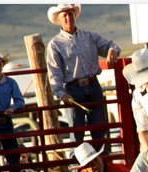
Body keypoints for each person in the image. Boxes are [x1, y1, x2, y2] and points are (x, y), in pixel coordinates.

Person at [46, 4, 121, 152]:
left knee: (100, 130)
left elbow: (111, 45)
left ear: (75, 15)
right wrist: (61, 93)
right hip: (73, 91)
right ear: (59, 20)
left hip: (93, 86)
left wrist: (112, 50)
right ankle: (79, 170)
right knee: (76, 134)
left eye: (70, 14)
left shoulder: (90, 36)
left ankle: (104, 168)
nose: (68, 18)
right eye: (64, 15)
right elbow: (54, 72)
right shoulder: (55, 45)